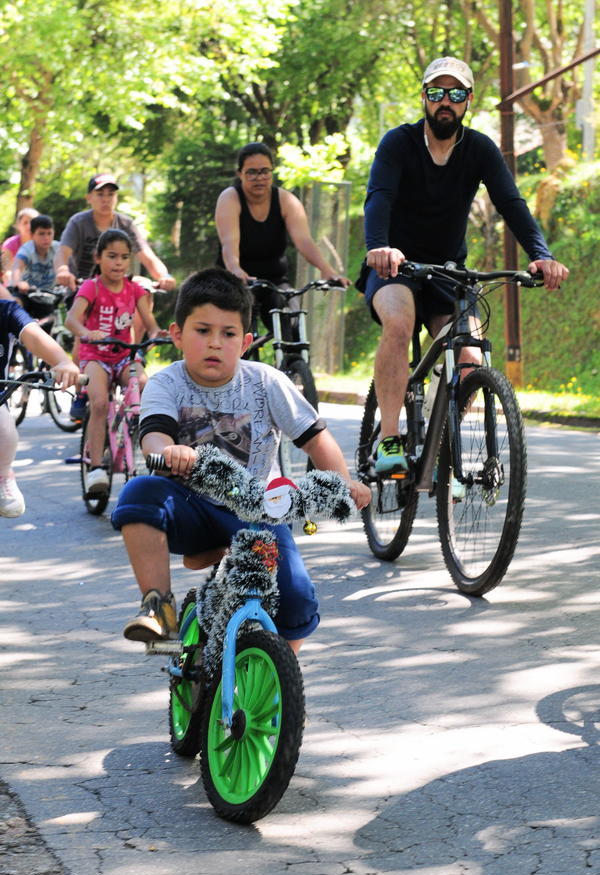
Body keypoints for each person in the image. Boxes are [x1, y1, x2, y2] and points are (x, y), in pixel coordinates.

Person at [111, 267, 370, 651]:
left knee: (295, 598)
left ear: (245, 341)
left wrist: (343, 482)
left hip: (258, 510)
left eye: (228, 334)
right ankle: (159, 606)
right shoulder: (167, 382)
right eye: (203, 331)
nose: (215, 343)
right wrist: (168, 452)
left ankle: (281, 685)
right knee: (139, 493)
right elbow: (154, 434)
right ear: (177, 335)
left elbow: (315, 438)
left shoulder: (266, 381)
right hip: (191, 508)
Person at [361, 56, 569, 474]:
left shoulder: (479, 149)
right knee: (399, 327)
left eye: (455, 94)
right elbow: (379, 197)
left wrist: (540, 255)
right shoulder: (398, 143)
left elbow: (511, 203)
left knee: (471, 359)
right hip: (395, 268)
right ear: (424, 97)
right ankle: (388, 441)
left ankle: (442, 443)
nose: (445, 102)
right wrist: (379, 247)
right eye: (436, 92)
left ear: (468, 101)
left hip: (449, 273)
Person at [55, 173, 175, 418]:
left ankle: (134, 351)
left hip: (119, 289)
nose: (106, 199)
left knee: (144, 291)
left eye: (111, 194)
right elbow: (63, 253)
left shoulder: (125, 224)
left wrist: (163, 275)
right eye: (100, 194)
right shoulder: (79, 222)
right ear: (89, 197)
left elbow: (147, 256)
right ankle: (81, 388)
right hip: (85, 288)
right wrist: (63, 271)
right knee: (83, 333)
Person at [65, 229, 165, 496]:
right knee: (98, 403)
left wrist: (158, 335)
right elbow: (71, 320)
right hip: (95, 356)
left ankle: (139, 440)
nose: (118, 263)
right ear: (98, 257)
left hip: (125, 355)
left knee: (143, 384)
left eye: (124, 257)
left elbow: (151, 324)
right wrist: (87, 333)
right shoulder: (92, 287)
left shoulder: (134, 290)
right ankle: (97, 466)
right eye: (111, 256)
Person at [215, 142, 350, 330]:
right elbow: (229, 243)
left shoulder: (287, 200)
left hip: (275, 281)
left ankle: (294, 359)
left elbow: (303, 241)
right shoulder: (230, 198)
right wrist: (235, 269)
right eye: (251, 172)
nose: (259, 178)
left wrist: (327, 269)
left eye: (264, 171)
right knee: (235, 334)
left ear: (272, 172)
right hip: (237, 281)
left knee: (293, 325)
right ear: (240, 174)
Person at [0, 284, 80, 517]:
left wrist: (61, 361)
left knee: (5, 430)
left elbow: (33, 336)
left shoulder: (7, 311)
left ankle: (3, 474)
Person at [11, 215, 60, 293]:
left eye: (49, 233)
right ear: (32, 235)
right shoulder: (26, 250)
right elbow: (17, 268)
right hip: (26, 293)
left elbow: (70, 264)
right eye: (41, 234)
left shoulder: (58, 248)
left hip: (49, 294)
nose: (46, 237)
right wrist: (18, 282)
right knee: (17, 301)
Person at [1, 208, 39, 286]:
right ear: (18, 225)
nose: (29, 226)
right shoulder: (10, 244)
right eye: (25, 223)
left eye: (33, 222)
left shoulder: (43, 243)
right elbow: (7, 270)